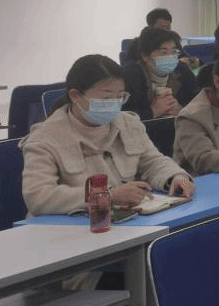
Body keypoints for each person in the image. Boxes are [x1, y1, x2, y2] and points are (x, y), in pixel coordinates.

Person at [20, 54, 195, 290]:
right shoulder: (45, 138)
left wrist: (176, 176)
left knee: (182, 264)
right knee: (159, 281)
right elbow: (38, 196)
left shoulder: (128, 123)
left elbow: (152, 160)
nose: (114, 104)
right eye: (105, 98)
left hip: (126, 235)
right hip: (75, 255)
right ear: (75, 96)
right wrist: (108, 196)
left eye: (120, 97)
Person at [122, 27, 197, 119]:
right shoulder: (130, 76)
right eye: (163, 52)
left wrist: (182, 110)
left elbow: (197, 103)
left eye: (174, 52)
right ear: (145, 56)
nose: (170, 57)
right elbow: (121, 117)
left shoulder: (182, 70)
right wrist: (152, 111)